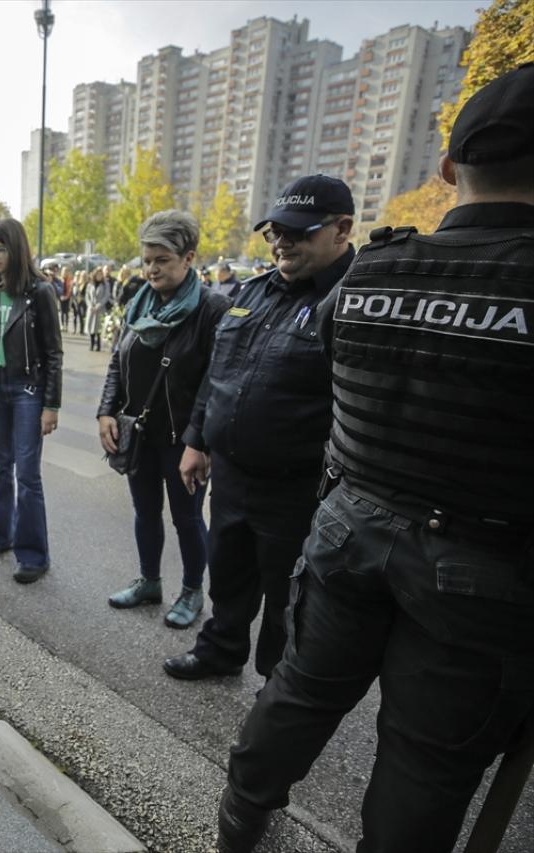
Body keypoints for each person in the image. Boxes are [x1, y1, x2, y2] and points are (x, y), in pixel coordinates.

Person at [216, 64, 534, 853]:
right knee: (422, 763)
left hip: (350, 526)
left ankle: (237, 821)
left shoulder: (375, 272)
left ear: (448, 169)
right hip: (481, 565)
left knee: (296, 694)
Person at [163, 174, 356, 682]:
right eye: (273, 232)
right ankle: (221, 650)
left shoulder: (355, 301)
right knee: (227, 574)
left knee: (287, 595)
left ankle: (278, 683)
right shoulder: (254, 291)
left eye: (297, 231)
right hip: (231, 476)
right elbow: (218, 373)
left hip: (299, 489)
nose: (280, 242)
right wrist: (195, 441)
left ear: (342, 229)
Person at [98, 211, 229, 628]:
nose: (152, 268)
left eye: (162, 260)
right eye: (147, 259)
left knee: (187, 517)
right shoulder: (139, 302)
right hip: (140, 431)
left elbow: (215, 383)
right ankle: (149, 582)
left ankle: (192, 592)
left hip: (185, 440)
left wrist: (198, 443)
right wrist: (105, 410)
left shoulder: (212, 309)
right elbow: (118, 362)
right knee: (145, 512)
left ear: (188, 258)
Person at [0, 218, 63, 583]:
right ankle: (1, 534)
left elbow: (54, 353)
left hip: (28, 390)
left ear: (16, 249)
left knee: (27, 475)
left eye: (0, 249)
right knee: (0, 466)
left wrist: (51, 405)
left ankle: (34, 554)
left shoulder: (40, 292)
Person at [85, 266, 110, 351]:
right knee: (91, 327)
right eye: (98, 274)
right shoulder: (90, 284)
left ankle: (98, 345)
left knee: (99, 328)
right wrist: (90, 305)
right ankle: (92, 344)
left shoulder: (106, 284)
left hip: (100, 309)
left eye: (101, 274)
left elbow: (106, 296)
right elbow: (87, 296)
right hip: (91, 309)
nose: (100, 276)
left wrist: (98, 306)